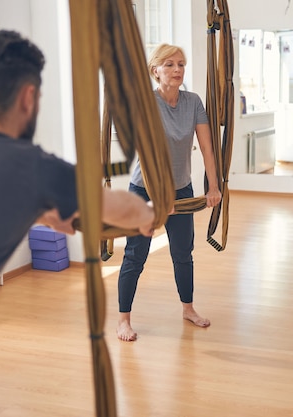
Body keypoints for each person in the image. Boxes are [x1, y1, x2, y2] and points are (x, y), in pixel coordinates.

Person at [0, 30, 156, 417]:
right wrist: (152, 211)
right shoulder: (30, 166)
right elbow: (126, 210)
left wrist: (38, 209)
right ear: (28, 97)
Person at [116, 44, 222, 342]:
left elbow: (207, 147)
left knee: (182, 254)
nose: (177, 70)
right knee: (136, 255)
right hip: (145, 190)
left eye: (181, 64)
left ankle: (187, 308)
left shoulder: (192, 102)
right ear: (155, 71)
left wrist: (213, 187)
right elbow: (145, 152)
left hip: (181, 189)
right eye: (169, 65)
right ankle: (123, 320)